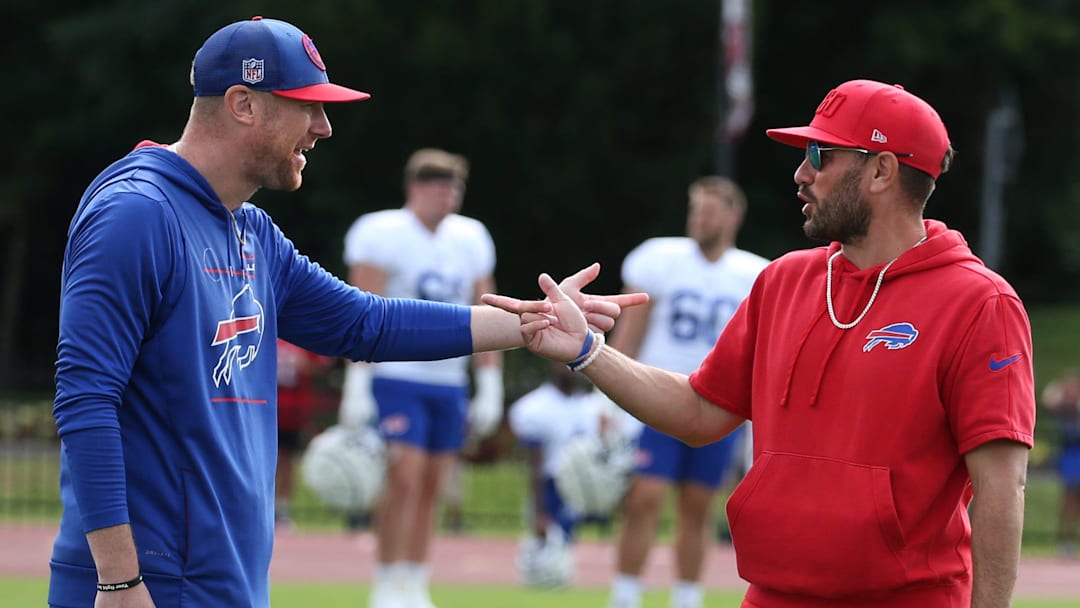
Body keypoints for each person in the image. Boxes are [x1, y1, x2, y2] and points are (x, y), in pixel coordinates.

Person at [49, 16, 645, 608]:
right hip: (145, 585)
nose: (324, 127)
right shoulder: (136, 213)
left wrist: (531, 324)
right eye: (307, 106)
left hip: (221, 578)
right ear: (242, 104)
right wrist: (119, 580)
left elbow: (366, 323)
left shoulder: (249, 229)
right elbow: (84, 396)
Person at [484, 79, 1036, 608]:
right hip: (772, 595)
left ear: (882, 171)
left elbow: (1001, 485)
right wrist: (589, 353)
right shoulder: (783, 280)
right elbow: (701, 410)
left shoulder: (979, 303)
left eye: (820, 155)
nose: (801, 174)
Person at [340, 147, 505, 608]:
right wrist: (357, 384)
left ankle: (415, 580)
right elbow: (362, 312)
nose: (447, 195)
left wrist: (488, 383)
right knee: (404, 477)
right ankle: (386, 580)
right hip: (397, 373)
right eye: (437, 185)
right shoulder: (382, 232)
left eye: (454, 187)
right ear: (415, 187)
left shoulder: (471, 238)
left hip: (448, 380)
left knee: (434, 482)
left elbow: (486, 308)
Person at [605, 176, 769, 608]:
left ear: (733, 217)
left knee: (699, 504)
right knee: (646, 497)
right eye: (695, 209)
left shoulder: (753, 273)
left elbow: (759, 353)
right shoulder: (660, 259)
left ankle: (687, 597)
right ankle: (625, 594)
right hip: (658, 394)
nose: (699, 218)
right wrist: (607, 398)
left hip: (718, 402)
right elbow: (630, 334)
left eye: (709, 211)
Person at [275, 338, 334, 529]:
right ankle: (263, 507)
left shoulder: (297, 337)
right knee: (263, 461)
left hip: (293, 411)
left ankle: (282, 508)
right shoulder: (262, 331)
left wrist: (306, 366)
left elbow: (323, 363)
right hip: (265, 409)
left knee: (287, 461)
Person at [1040, 369, 1080, 557]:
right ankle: (1066, 541)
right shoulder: (1064, 406)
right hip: (1071, 455)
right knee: (1069, 499)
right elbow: (1048, 400)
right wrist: (1061, 386)